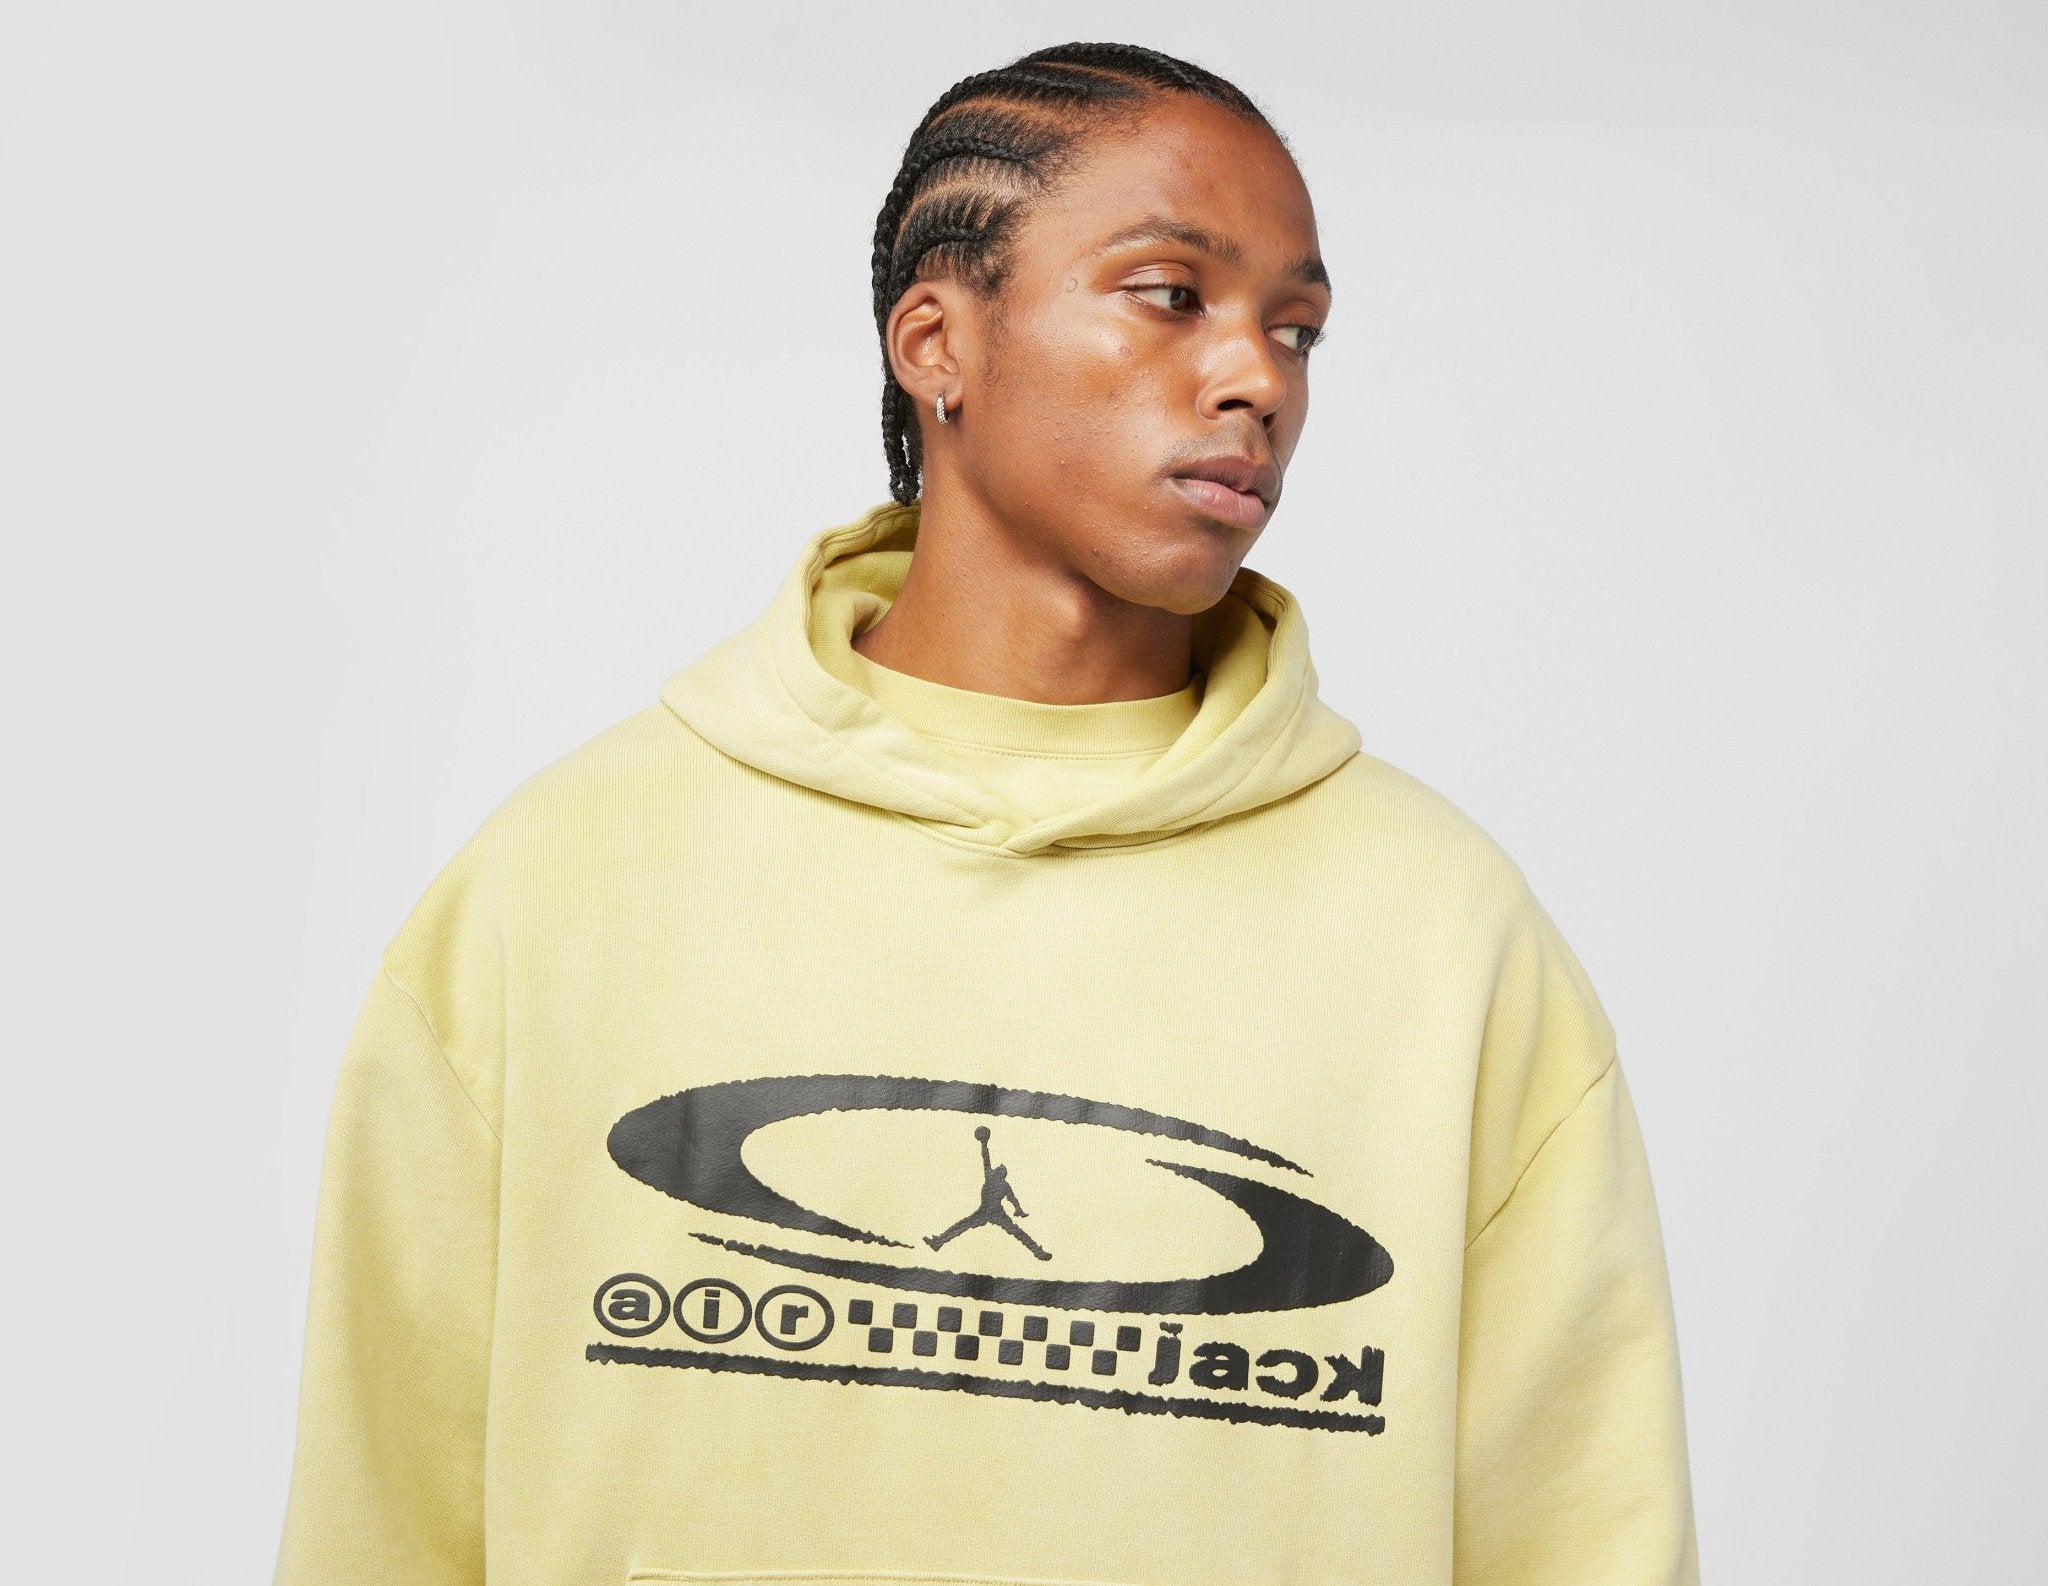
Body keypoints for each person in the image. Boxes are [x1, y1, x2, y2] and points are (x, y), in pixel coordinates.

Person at [272, 40, 1701, 1586]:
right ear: (937, 340)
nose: (1260, 380)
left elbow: (1587, 1542)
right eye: (1172, 294)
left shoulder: (1445, 938)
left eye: (1297, 330)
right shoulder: (558, 886)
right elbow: (381, 1523)